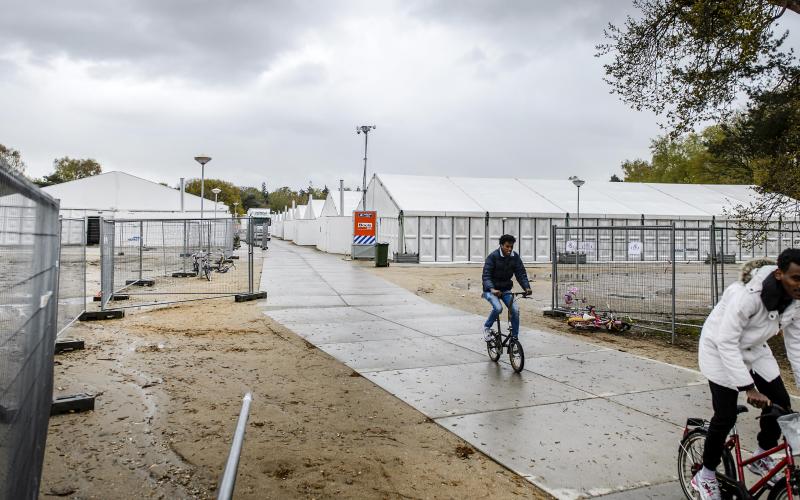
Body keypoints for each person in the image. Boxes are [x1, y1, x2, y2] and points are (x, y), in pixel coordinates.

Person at [692, 248, 800, 500]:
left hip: (754, 349)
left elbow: (796, 347)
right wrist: (747, 387)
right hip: (718, 349)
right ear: (779, 274)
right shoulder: (747, 296)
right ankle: (705, 475)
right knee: (725, 415)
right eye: (796, 278)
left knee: (781, 404)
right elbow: (726, 341)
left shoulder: (795, 302)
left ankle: (761, 453)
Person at [481, 234, 532, 341]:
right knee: (498, 308)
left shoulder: (515, 257)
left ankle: (514, 338)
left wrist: (526, 287)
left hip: (505, 290)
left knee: (515, 310)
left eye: (511, 247)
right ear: (501, 245)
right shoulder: (493, 257)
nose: (509, 249)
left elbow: (521, 273)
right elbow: (486, 276)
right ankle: (487, 327)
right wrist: (492, 289)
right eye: (507, 246)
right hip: (490, 290)